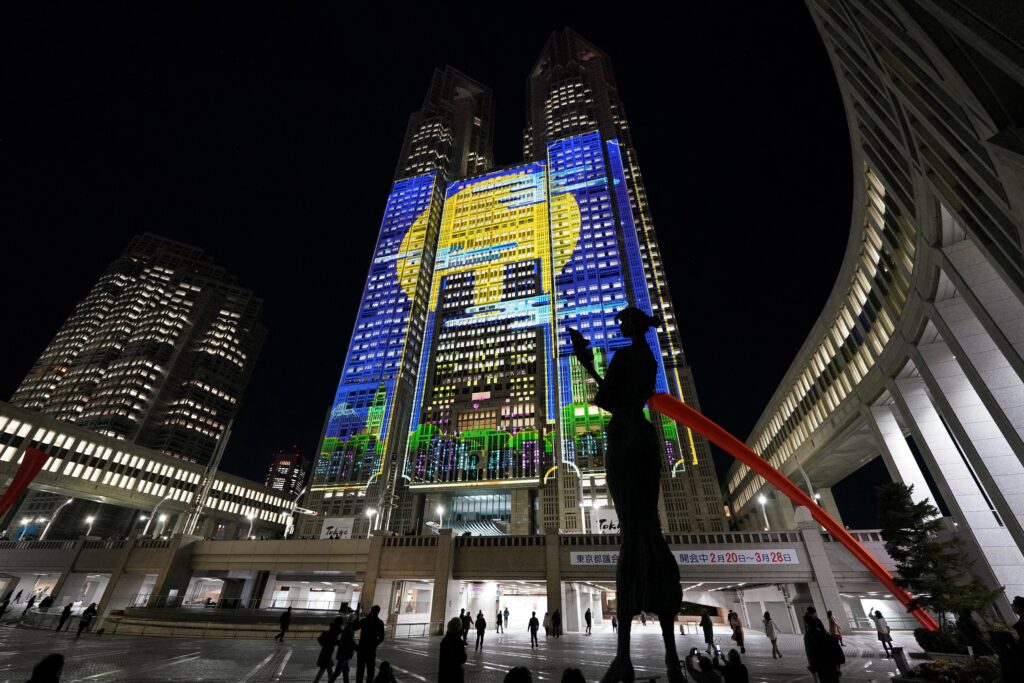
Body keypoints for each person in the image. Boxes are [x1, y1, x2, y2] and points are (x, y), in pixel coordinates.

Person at [570, 309, 685, 683]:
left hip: (624, 434)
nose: (619, 327)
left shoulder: (623, 356)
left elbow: (607, 399)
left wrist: (586, 362)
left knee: (631, 532)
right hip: (645, 433)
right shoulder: (649, 357)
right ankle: (670, 658)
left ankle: (623, 656)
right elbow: (635, 395)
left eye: (622, 324)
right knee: (649, 524)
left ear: (631, 326)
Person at [804, 614, 844, 683]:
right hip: (831, 664)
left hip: (821, 666)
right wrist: (837, 666)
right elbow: (833, 649)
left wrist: (812, 668)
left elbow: (810, 652)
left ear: (807, 623)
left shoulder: (808, 635)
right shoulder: (824, 633)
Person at [353, 604, 386, 683]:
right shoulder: (380, 623)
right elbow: (381, 637)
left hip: (362, 648)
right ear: (378, 612)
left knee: (360, 670)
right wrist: (375, 644)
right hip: (371, 650)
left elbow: (354, 627)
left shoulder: (365, 621)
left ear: (371, 611)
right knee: (370, 670)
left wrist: (356, 619)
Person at [439, 616, 467, 683]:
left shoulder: (444, 640)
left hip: (444, 674)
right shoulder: (458, 642)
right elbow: (462, 659)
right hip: (456, 675)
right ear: (458, 628)